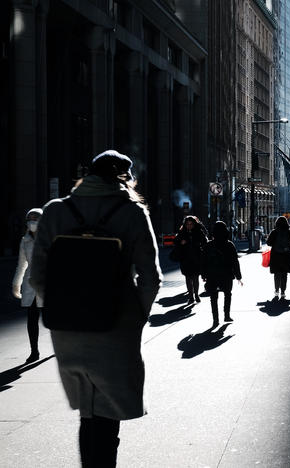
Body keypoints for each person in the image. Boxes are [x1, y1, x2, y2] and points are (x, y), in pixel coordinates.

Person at [29, 150, 162, 467]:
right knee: (108, 409)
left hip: (68, 327)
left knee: (87, 410)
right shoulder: (131, 212)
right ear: (122, 178)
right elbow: (151, 278)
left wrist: (63, 307)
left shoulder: (55, 211)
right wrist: (135, 316)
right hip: (115, 324)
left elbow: (37, 276)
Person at [11, 208, 44, 363]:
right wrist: (16, 284)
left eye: (35, 218)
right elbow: (21, 264)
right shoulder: (24, 241)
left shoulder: (49, 238)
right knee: (32, 319)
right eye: (30, 219)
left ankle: (58, 347)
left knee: (51, 319)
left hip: (47, 282)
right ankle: (34, 351)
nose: (32, 222)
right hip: (30, 284)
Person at [202, 221, 243, 327]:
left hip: (212, 274)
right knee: (227, 294)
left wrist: (204, 275)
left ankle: (215, 319)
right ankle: (227, 315)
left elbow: (204, 261)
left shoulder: (209, 245)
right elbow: (235, 261)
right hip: (226, 274)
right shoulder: (229, 245)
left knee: (213, 297)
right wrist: (238, 276)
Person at [174, 215, 208, 304]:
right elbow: (176, 243)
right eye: (187, 224)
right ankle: (190, 296)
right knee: (188, 278)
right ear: (185, 225)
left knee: (195, 277)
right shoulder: (182, 233)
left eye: (191, 224)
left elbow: (205, 242)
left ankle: (196, 294)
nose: (189, 226)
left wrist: (199, 246)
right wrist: (181, 243)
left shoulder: (199, 232)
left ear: (194, 224)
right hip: (185, 259)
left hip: (196, 258)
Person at [266, 216, 290, 299]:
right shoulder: (289, 232)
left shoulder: (274, 232)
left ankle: (276, 290)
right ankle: (283, 291)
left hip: (276, 256)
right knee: (284, 274)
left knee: (277, 274)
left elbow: (268, 243)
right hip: (286, 256)